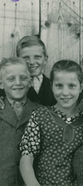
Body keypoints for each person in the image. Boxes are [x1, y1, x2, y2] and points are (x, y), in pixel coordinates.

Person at [19, 60, 83, 186]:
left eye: (71, 86)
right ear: (51, 86)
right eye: (59, 86)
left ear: (81, 87)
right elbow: (27, 156)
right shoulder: (40, 115)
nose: (65, 93)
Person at [0, 57, 39, 186]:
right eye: (11, 79)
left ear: (30, 81)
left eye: (23, 78)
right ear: (1, 83)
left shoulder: (42, 112)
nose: (18, 83)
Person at [0, 35, 56, 106]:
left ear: (45, 59)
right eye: (26, 58)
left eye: (37, 57)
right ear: (18, 60)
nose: (32, 62)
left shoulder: (54, 86)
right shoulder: (7, 87)